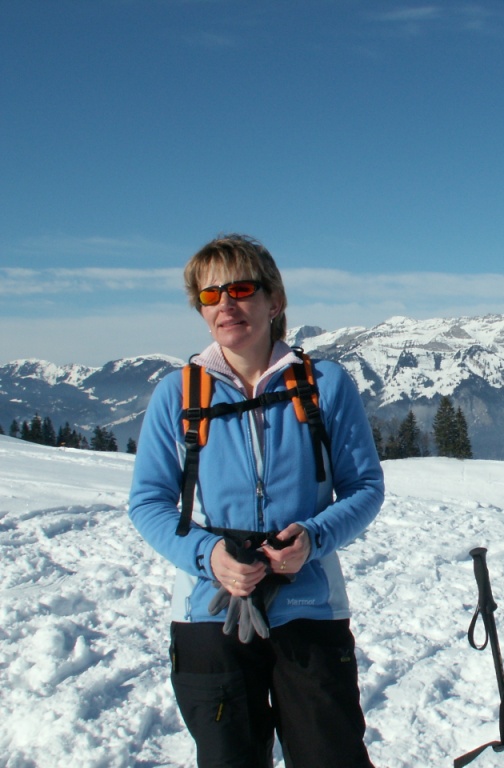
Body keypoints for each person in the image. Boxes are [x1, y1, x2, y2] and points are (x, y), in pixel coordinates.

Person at [129, 234, 384, 767]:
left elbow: (364, 487)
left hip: (310, 606)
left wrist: (312, 538)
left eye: (241, 289)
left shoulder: (324, 384)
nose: (225, 304)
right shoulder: (178, 394)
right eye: (210, 294)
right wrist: (209, 556)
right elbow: (148, 502)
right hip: (208, 612)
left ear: (275, 300)